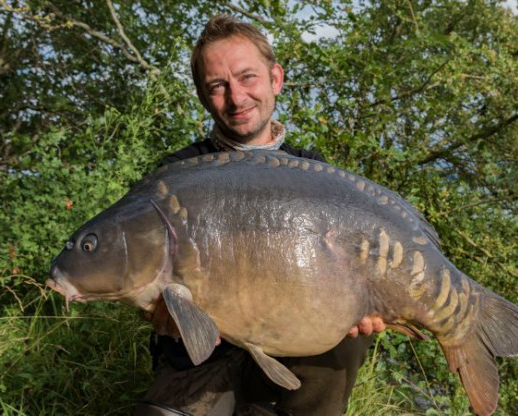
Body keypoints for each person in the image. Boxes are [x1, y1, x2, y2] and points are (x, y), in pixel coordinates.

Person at [134, 14, 385, 416]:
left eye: (247, 77)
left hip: (292, 352)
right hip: (203, 363)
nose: (236, 98)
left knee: (348, 337)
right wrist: (161, 310)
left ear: (275, 79)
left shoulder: (316, 175)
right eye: (218, 86)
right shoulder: (178, 176)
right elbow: (140, 274)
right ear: (203, 97)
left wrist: (365, 305)